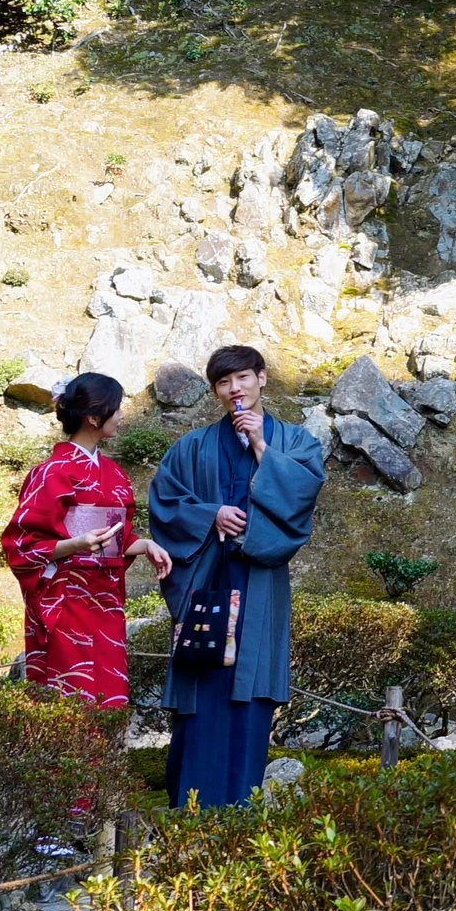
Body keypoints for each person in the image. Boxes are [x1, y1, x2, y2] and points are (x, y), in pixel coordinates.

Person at [148, 343, 325, 808]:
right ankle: (189, 801)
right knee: (202, 682)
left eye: (243, 378)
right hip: (207, 579)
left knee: (249, 689)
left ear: (262, 378)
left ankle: (239, 803)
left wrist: (263, 447)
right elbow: (164, 502)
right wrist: (212, 515)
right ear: (215, 390)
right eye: (224, 383)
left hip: (260, 582)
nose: (235, 389)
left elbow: (304, 496)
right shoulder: (192, 447)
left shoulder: (296, 442)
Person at [0, 372, 174, 708]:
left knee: (110, 696)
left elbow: (116, 538)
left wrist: (146, 544)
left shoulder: (113, 472)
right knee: (70, 699)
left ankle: (107, 763)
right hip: (65, 599)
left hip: (106, 602)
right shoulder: (51, 472)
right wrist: (75, 545)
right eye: (117, 409)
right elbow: (20, 544)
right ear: (94, 417)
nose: (122, 416)